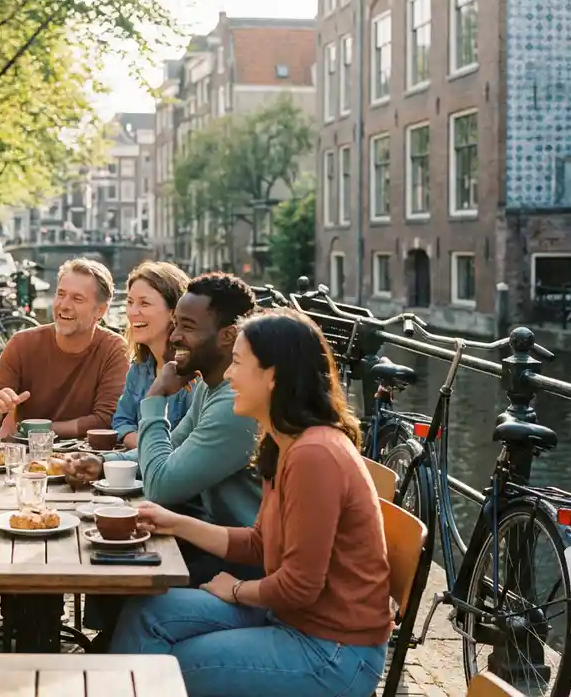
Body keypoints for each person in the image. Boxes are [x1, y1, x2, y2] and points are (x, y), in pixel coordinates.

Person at [110, 308, 392, 697]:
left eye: (238, 363)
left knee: (166, 667)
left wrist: (238, 590)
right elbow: (261, 541)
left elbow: (300, 586)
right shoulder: (287, 441)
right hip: (295, 621)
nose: (227, 374)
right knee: (148, 612)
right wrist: (174, 523)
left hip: (332, 651)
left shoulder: (315, 456)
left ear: (273, 376)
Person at [66, 274, 264, 545]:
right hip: (211, 535)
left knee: (109, 564)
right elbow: (173, 445)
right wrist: (105, 463)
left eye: (188, 327)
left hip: (242, 556)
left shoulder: (234, 405)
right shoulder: (210, 387)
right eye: (176, 325)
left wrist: (155, 396)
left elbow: (161, 487)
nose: (176, 336)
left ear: (228, 337)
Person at [0, 257, 129, 438]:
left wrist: (35, 430)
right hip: (26, 458)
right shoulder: (21, 343)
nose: (64, 305)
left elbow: (106, 420)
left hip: (87, 458)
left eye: (77, 299)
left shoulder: (114, 348)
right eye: (61, 294)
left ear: (100, 311)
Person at [111, 261, 193, 450]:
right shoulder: (140, 367)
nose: (132, 312)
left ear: (174, 313)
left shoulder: (193, 375)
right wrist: (147, 447)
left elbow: (184, 443)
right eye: (130, 302)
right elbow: (121, 422)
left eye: (144, 303)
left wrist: (147, 449)